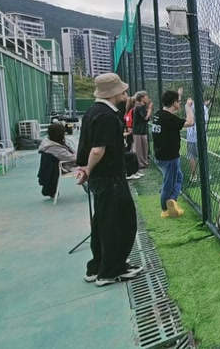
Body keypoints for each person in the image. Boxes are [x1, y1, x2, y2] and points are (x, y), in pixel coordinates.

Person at [75, 73, 143, 287]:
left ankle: (98, 266)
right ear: (113, 92)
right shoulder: (105, 115)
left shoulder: (93, 112)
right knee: (120, 223)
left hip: (102, 177)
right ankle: (112, 269)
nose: (125, 92)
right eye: (121, 89)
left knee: (103, 223)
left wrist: (87, 169)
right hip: (110, 178)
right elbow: (97, 150)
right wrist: (88, 168)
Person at [152, 87, 195, 218]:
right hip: (169, 157)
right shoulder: (169, 119)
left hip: (160, 155)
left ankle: (172, 201)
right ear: (174, 103)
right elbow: (190, 122)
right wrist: (188, 107)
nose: (180, 103)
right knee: (168, 184)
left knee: (179, 177)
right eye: (179, 101)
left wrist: (178, 95)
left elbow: (172, 110)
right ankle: (165, 209)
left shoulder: (159, 114)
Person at [187, 98, 210, 183]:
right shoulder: (203, 108)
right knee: (202, 156)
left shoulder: (188, 106)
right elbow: (205, 121)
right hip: (200, 135)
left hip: (190, 135)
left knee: (191, 156)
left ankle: (194, 175)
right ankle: (203, 175)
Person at [132, 92, 153, 169]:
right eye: (146, 96)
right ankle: (140, 164)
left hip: (142, 131)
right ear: (142, 98)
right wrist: (150, 109)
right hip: (138, 131)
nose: (147, 98)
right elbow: (145, 117)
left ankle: (144, 162)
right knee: (139, 148)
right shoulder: (138, 107)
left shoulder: (142, 107)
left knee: (144, 146)